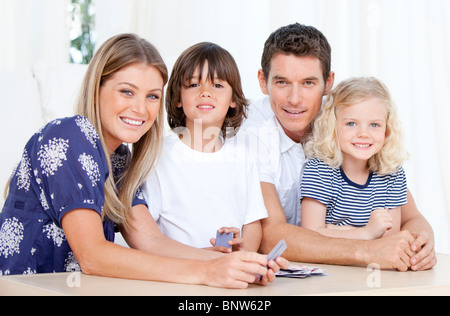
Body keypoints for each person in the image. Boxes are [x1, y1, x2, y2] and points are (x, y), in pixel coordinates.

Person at [0, 34, 285, 289]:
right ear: (97, 87)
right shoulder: (70, 134)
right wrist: (204, 271)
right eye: (126, 91)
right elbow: (93, 256)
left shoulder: (121, 159)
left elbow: (151, 241)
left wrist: (239, 264)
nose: (140, 108)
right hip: (24, 288)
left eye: (151, 96)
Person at [242, 23, 436, 271]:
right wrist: (368, 249)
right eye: (282, 82)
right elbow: (270, 236)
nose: (294, 98)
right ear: (262, 81)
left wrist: (422, 242)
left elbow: (412, 216)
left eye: (309, 83)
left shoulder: (347, 122)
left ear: (328, 82)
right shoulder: (252, 136)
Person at [143, 42, 267, 252]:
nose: (206, 93)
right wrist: (205, 259)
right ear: (178, 99)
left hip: (229, 273)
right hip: (179, 273)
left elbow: (252, 223)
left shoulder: (243, 156)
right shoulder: (157, 156)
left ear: (233, 100)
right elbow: (148, 235)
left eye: (217, 85)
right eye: (194, 85)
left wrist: (243, 255)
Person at [301, 77, 409, 240]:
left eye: (374, 125)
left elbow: (391, 239)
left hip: (375, 264)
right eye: (351, 123)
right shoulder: (319, 171)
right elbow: (310, 234)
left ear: (386, 130)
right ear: (333, 127)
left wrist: (335, 230)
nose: (363, 134)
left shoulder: (393, 175)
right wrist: (367, 232)